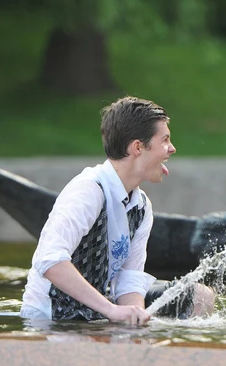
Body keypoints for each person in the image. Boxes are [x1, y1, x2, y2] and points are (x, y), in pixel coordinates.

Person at [20, 96, 215, 324]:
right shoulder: (88, 190)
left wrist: (134, 321)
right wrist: (112, 311)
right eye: (165, 140)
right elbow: (50, 261)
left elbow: (130, 279)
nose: (172, 148)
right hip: (51, 320)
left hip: (98, 313)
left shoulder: (141, 205)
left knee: (199, 297)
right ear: (138, 147)